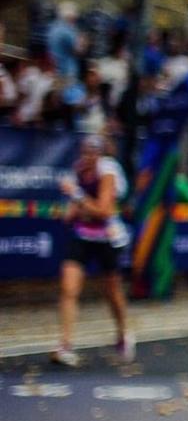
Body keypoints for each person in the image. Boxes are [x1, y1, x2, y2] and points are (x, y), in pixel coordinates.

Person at [52, 136, 133, 367]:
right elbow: (72, 213)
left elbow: (104, 211)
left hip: (108, 237)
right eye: (84, 152)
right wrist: (69, 210)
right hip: (82, 236)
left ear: (99, 154)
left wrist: (77, 195)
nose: (87, 157)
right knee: (68, 288)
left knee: (111, 290)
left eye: (91, 153)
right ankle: (65, 345)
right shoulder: (76, 171)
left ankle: (122, 333)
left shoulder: (108, 171)